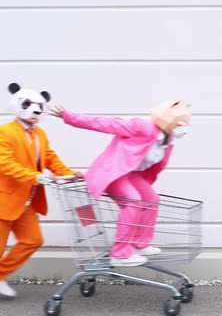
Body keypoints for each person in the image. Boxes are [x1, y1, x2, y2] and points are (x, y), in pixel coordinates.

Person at [49, 100, 191, 267]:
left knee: (152, 199)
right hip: (114, 174)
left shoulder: (167, 142)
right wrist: (70, 117)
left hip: (131, 175)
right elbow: (106, 124)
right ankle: (120, 253)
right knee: (133, 201)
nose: (184, 128)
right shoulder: (141, 127)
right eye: (180, 124)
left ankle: (140, 243)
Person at [0, 83, 81, 297]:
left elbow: (49, 158)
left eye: (39, 107)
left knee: (33, 240)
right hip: (4, 200)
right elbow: (4, 163)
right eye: (29, 105)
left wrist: (69, 174)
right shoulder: (5, 132)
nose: (36, 111)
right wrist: (36, 177)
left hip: (26, 201)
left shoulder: (40, 134)